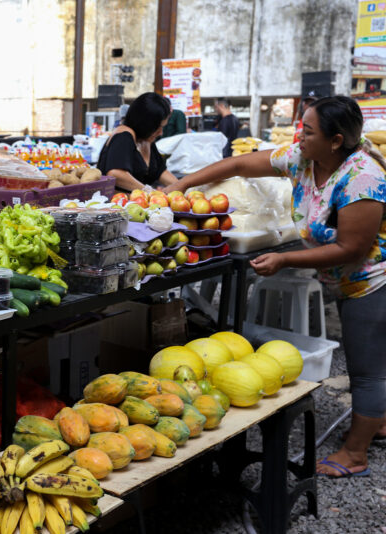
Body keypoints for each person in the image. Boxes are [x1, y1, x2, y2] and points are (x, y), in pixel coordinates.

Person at [163, 96, 386, 479]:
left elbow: (351, 247)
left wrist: (284, 259)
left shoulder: (362, 177)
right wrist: (182, 184)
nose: (300, 135)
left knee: (368, 371)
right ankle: (377, 421)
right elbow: (238, 164)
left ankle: (355, 453)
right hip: (344, 279)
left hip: (372, 282)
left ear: (335, 140)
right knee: (374, 363)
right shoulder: (302, 158)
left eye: (309, 130)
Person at [96, 92, 179, 191]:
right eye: (157, 128)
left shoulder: (146, 140)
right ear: (145, 124)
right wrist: (149, 191)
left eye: (162, 127)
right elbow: (116, 174)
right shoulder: (124, 136)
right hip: (116, 203)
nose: (161, 133)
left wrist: (182, 187)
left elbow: (160, 172)